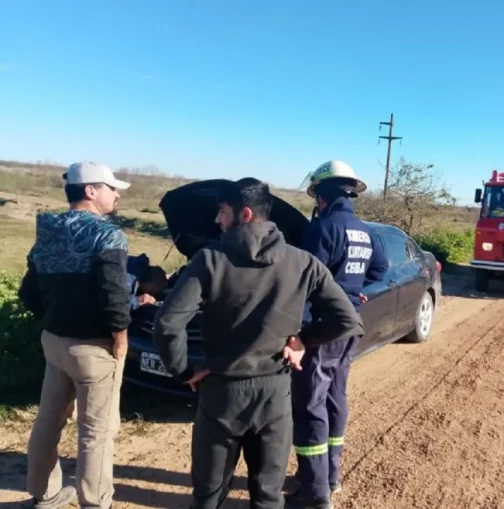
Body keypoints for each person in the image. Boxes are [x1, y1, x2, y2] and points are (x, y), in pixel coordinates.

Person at [151, 177, 364, 509]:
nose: (216, 220)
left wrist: (183, 371)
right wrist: (302, 340)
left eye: (221, 212)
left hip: (221, 393)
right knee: (267, 497)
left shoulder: (209, 260)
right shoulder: (303, 262)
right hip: (275, 396)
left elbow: (167, 323)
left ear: (245, 214)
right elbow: (347, 320)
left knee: (208, 495)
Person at [18, 161, 132, 509]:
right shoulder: (109, 235)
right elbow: (113, 293)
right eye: (112, 188)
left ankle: (44, 493)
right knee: (96, 434)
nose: (116, 195)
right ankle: (97, 503)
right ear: (91, 191)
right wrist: (121, 338)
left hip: (54, 342)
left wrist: (55, 318)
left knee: (48, 421)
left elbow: (28, 293)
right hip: (93, 350)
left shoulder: (48, 229)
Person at [286, 160, 388, 509]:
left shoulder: (323, 228)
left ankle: (315, 493)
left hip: (320, 329)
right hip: (349, 326)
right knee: (334, 399)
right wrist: (354, 289)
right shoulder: (364, 230)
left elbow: (303, 284)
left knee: (310, 404)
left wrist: (296, 335)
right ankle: (330, 476)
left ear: (321, 195)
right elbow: (380, 269)